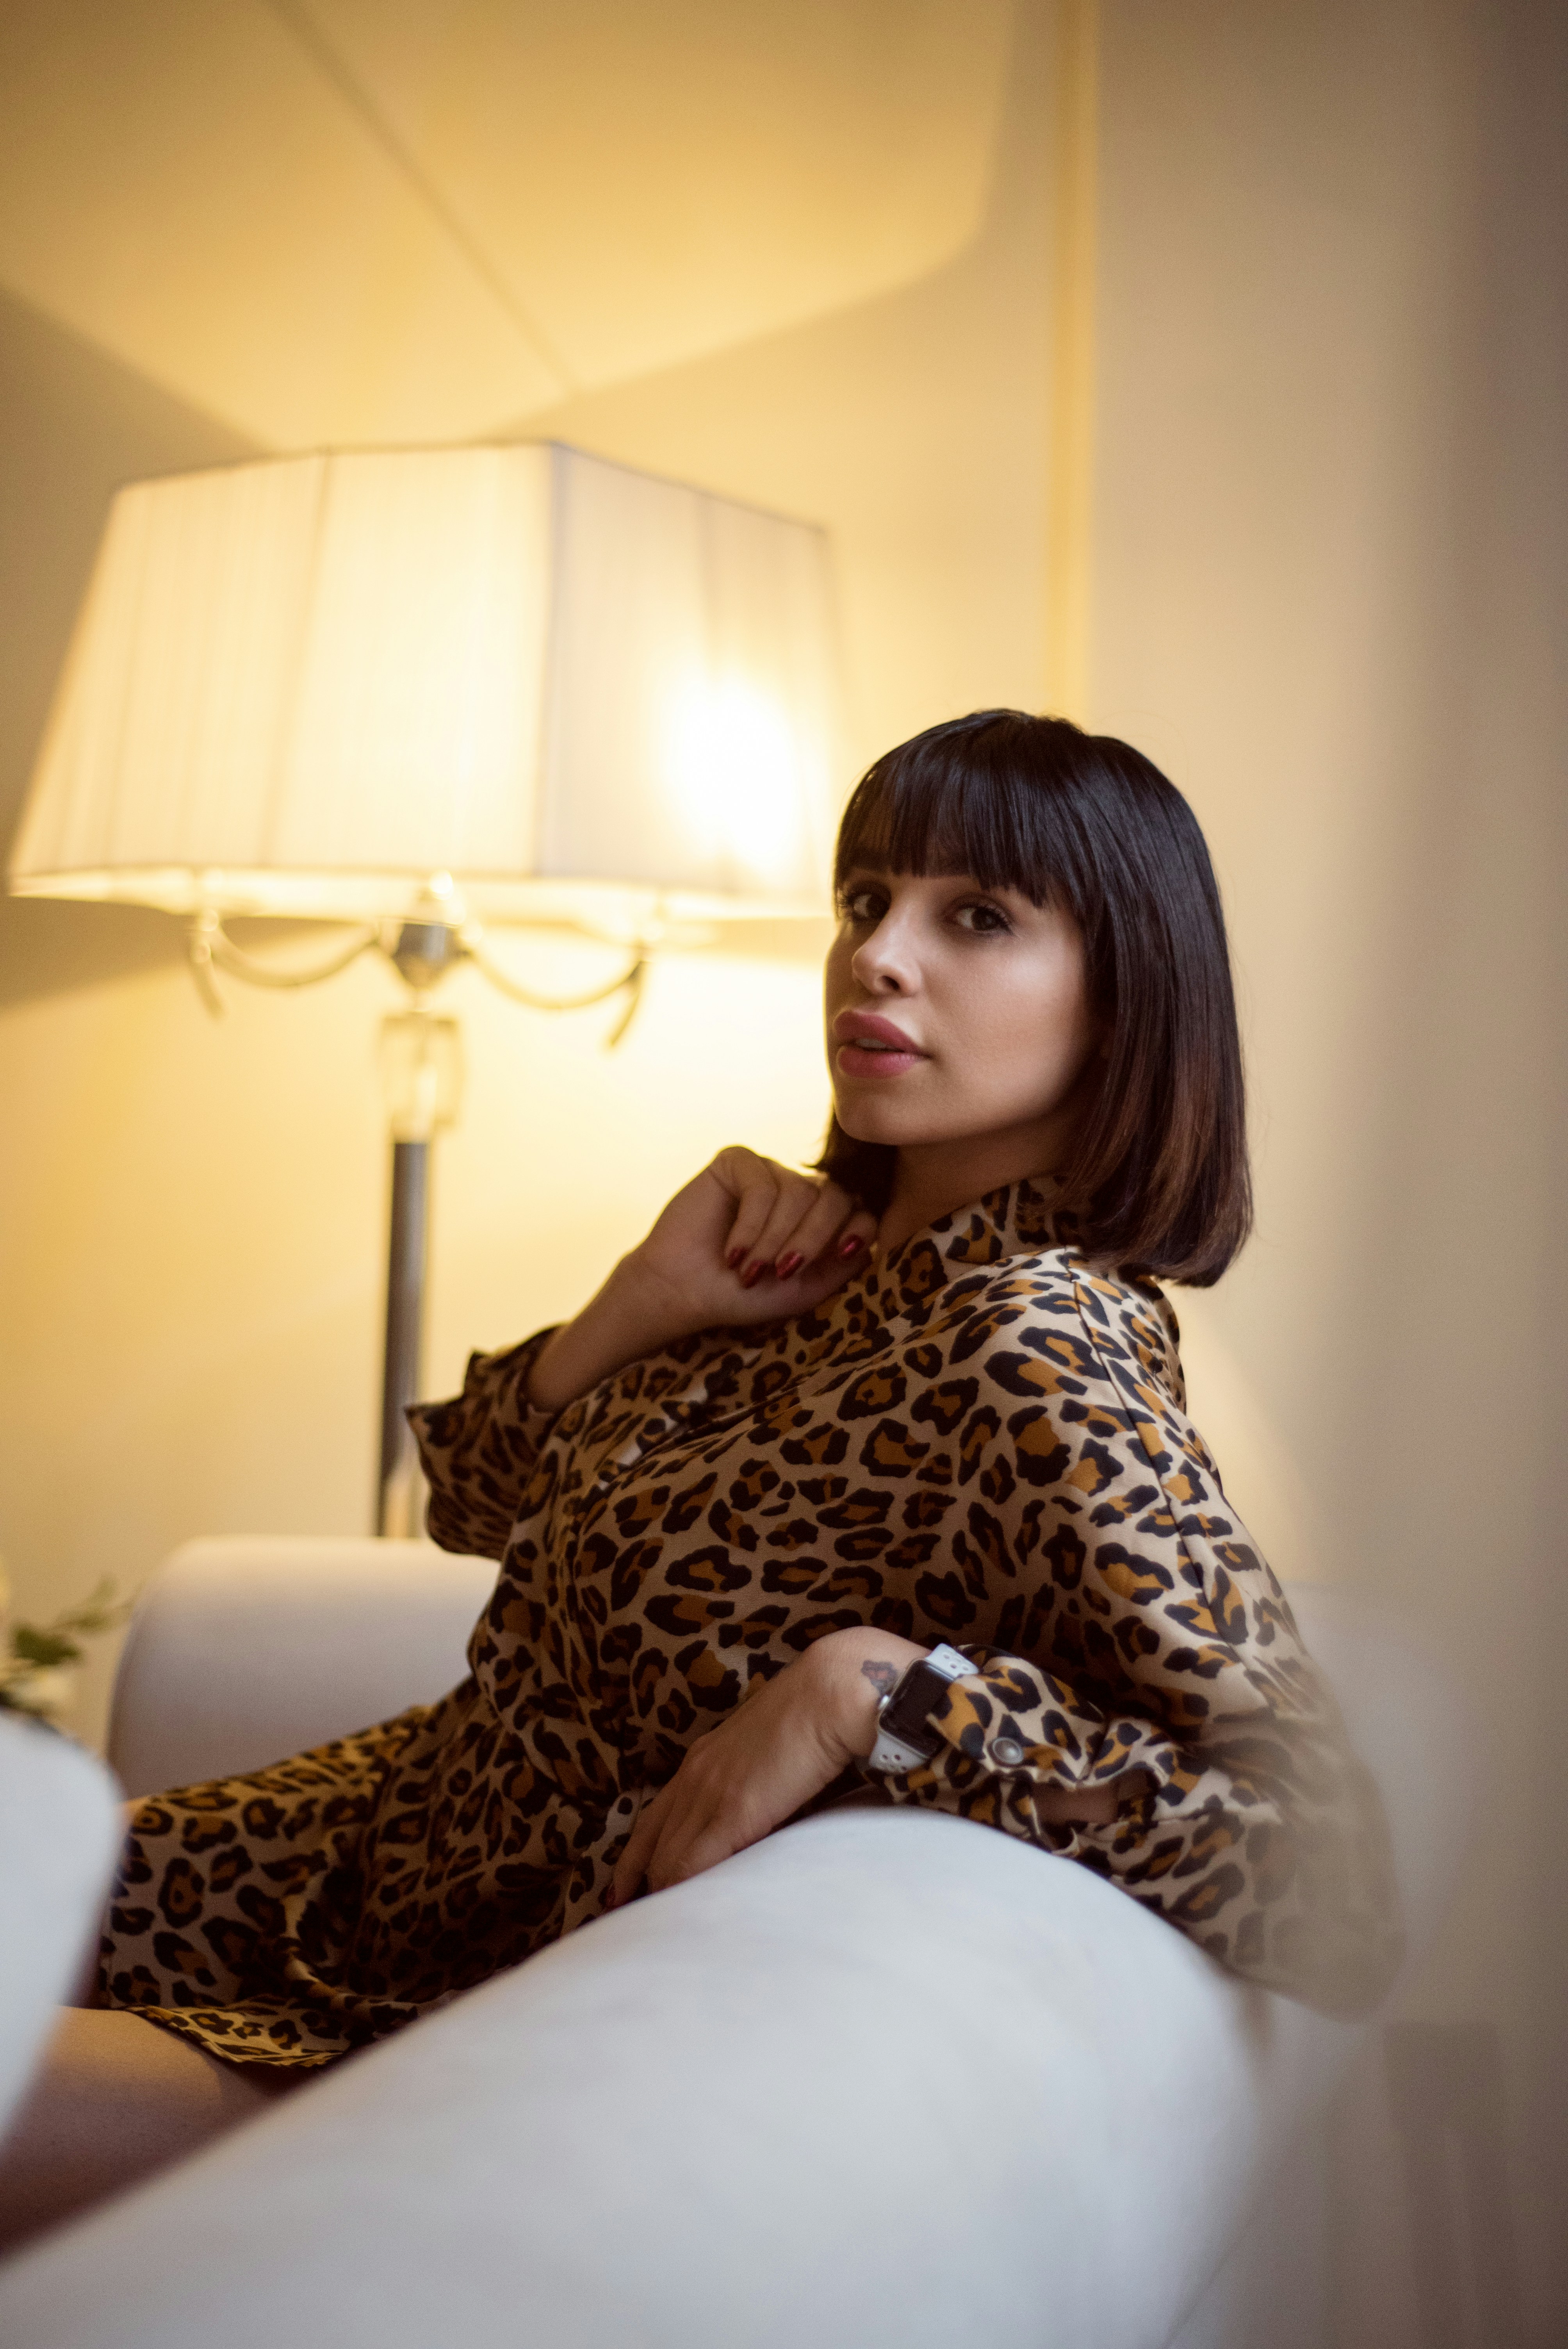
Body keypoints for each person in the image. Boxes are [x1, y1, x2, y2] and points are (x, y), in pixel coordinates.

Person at [0, 710, 1402, 2251]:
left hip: (431, 2015)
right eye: (864, 899)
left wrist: (881, 1690)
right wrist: (635, 1304)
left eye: (977, 918)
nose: (875, 956)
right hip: (326, 1864)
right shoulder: (822, 1260)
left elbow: (1324, 1879)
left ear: (1125, 994)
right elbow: (466, 1505)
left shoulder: (1036, 1340)